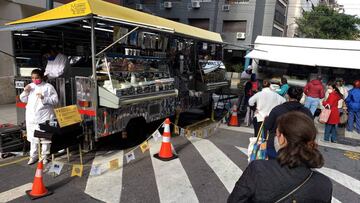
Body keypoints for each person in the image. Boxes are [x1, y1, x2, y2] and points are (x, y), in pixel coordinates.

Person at [228, 112, 332, 203]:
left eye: (277, 134)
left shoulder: (258, 169)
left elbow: (235, 200)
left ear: (281, 138)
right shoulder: (324, 184)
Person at [20, 69, 59, 165]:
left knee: (45, 137)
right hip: (31, 116)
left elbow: (55, 100)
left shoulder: (48, 87)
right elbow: (23, 99)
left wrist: (44, 98)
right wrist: (25, 91)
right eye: (32, 78)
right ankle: (33, 156)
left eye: (36, 78)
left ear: (41, 77)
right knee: (33, 138)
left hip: (44, 116)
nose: (34, 80)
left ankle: (44, 156)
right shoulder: (30, 86)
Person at [265, 87, 313, 159]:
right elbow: (311, 130)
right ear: (300, 96)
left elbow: (268, 126)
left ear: (287, 95)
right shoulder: (306, 112)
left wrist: (266, 120)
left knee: (273, 165)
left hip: (276, 144)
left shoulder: (277, 109)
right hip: (298, 146)